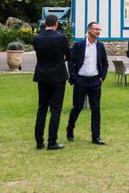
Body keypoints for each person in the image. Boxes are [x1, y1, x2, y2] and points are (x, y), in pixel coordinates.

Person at [66, 22, 109, 145]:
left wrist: (102, 78)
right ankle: (70, 129)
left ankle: (96, 136)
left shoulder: (100, 46)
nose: (98, 31)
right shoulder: (79, 45)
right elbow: (71, 61)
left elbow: (105, 63)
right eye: (96, 29)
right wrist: (74, 77)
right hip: (81, 81)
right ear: (89, 30)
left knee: (96, 109)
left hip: (95, 81)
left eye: (99, 29)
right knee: (77, 107)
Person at [32, 14, 71, 150]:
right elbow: (68, 55)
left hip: (42, 75)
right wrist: (63, 56)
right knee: (55, 109)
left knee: (42, 108)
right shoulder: (61, 38)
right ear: (56, 24)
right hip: (58, 76)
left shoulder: (37, 38)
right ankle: (52, 141)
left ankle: (39, 141)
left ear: (45, 24)